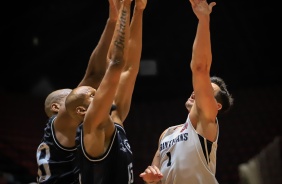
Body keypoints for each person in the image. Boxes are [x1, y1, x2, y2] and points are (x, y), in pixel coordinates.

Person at [139, 0, 234, 183]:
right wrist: (150, 179)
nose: (196, 92)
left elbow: (200, 68)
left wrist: (203, 20)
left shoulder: (205, 124)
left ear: (215, 106)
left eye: (205, 92)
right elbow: (155, 181)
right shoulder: (167, 133)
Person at [35, 0, 122, 183]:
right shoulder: (59, 122)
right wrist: (112, 21)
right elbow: (96, 74)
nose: (80, 92)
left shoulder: (67, 129)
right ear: (57, 107)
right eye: (71, 95)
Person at [65, 0, 147, 183]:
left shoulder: (114, 119)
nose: (99, 90)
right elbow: (117, 63)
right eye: (92, 94)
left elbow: (129, 69)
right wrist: (125, 6)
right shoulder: (93, 127)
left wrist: (139, 10)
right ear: (82, 111)